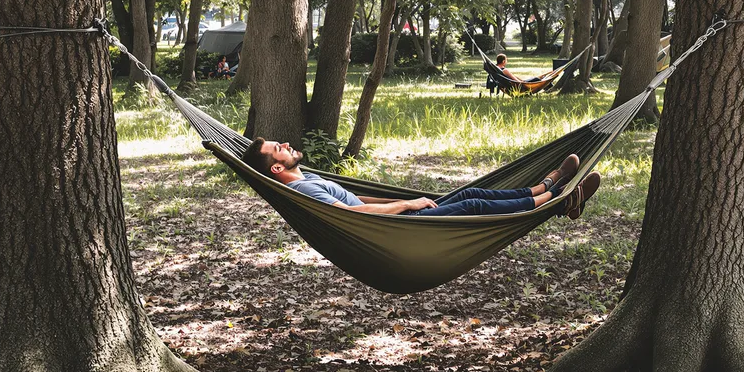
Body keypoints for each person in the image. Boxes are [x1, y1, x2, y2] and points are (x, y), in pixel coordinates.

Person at [243, 138, 601, 220]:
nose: (287, 144)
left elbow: (362, 201)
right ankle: (555, 201)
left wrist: (401, 201)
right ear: (277, 168)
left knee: (472, 191)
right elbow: (354, 216)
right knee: (473, 204)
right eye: (280, 148)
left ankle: (545, 187)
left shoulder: (308, 178)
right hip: (399, 228)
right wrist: (408, 204)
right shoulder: (303, 188)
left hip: (398, 215)